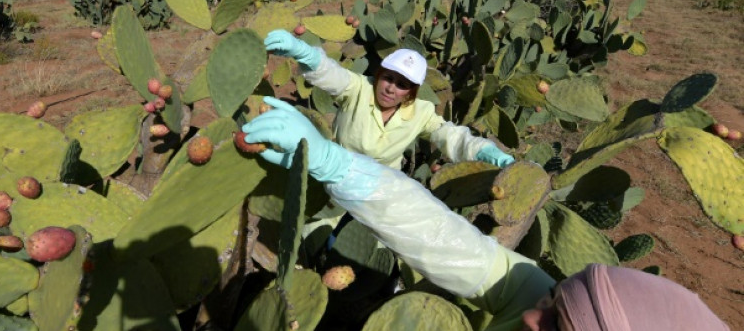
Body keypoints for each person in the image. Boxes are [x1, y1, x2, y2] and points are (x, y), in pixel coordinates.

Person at [241, 97, 729, 331]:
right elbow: (442, 237)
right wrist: (338, 165)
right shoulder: (532, 300)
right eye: (556, 298)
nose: (535, 319)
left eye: (559, 329)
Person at [264, 29, 516, 171]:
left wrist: (484, 151)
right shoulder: (359, 89)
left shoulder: (422, 112)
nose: (391, 89)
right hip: (336, 172)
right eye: (388, 78)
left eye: (402, 84)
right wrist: (306, 54)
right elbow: (333, 75)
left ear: (411, 92)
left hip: (383, 187)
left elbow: (452, 137)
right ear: (379, 74)